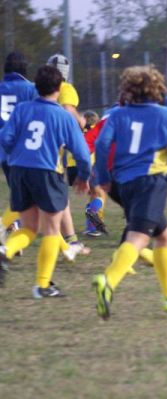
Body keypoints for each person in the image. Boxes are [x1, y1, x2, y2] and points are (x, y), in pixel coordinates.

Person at [92, 65, 167, 319]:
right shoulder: (165, 114)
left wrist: (104, 177)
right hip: (150, 182)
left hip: (123, 184)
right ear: (157, 87)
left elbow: (103, 144)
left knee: (164, 235)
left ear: (128, 89)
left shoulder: (117, 115)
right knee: (138, 239)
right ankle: (109, 281)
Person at [0, 65, 91, 297]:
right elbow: (81, 153)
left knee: (29, 227)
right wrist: (83, 175)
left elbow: (6, 138)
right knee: (51, 229)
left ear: (36, 87)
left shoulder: (22, 109)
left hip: (19, 169)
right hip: (47, 171)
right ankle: (42, 285)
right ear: (60, 88)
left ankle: (5, 249)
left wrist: (16, 153)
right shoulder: (63, 116)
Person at [47, 54, 89, 258]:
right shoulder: (66, 89)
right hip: (53, 150)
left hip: (35, 148)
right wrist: (81, 121)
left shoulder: (39, 89)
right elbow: (68, 109)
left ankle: (71, 240)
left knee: (58, 195)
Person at [0, 51, 38, 250]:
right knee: (28, 197)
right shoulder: (31, 89)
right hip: (26, 151)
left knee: (19, 193)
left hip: (3, 150)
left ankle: (12, 233)